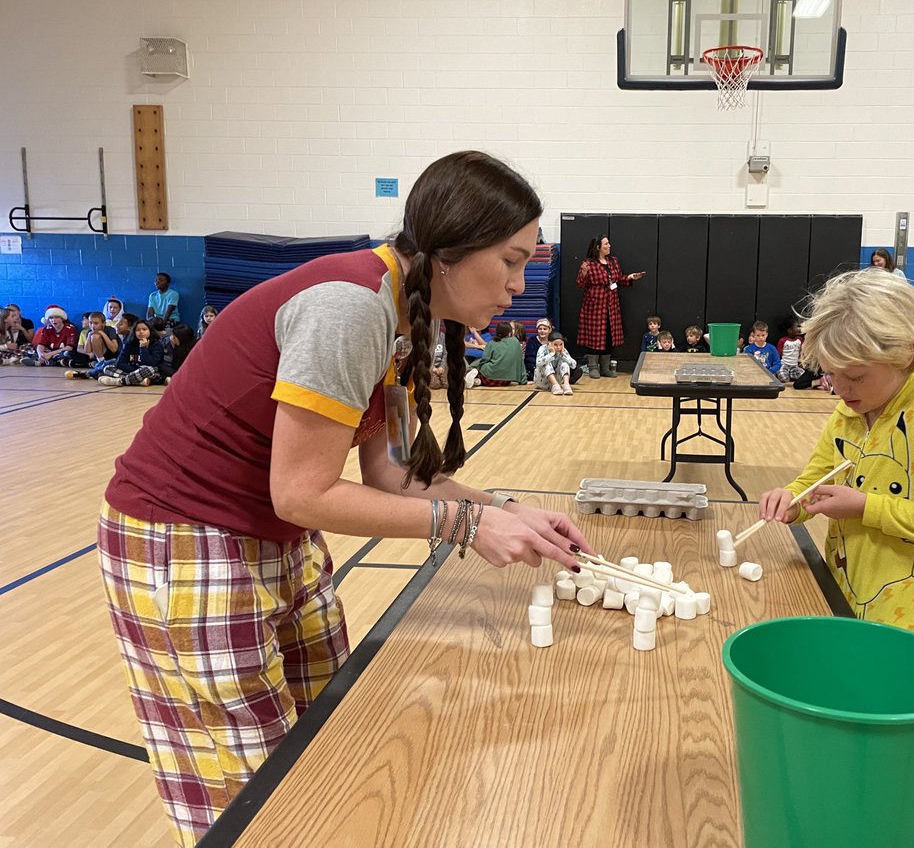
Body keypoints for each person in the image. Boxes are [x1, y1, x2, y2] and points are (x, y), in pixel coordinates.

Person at [96, 151, 592, 846]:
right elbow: (302, 492)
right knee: (251, 797)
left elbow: (392, 472)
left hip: (273, 537)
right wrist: (465, 524)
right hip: (184, 540)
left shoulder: (398, 313)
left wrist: (505, 509)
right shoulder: (350, 307)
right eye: (510, 261)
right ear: (449, 249)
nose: (518, 286)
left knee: (323, 746)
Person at [757, 269, 914, 638]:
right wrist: (792, 500)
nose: (840, 389)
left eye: (857, 376)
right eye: (832, 374)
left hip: (902, 621)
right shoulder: (847, 412)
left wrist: (867, 507)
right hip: (841, 597)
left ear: (908, 355)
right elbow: (814, 481)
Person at [576, 235, 645, 378]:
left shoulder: (613, 261)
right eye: (606, 244)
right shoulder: (588, 263)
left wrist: (631, 277)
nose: (609, 246)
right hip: (594, 306)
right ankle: (593, 367)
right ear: (598, 247)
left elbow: (619, 279)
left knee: (608, 335)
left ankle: (605, 367)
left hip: (611, 306)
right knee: (593, 336)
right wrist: (583, 273)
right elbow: (580, 284)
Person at [469, 320, 527, 387]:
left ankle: (475, 377)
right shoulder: (515, 342)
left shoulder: (492, 343)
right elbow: (521, 362)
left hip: (489, 379)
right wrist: (523, 381)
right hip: (506, 381)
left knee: (479, 364)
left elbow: (484, 360)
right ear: (509, 332)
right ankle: (476, 379)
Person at [534, 331, 577, 396]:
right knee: (546, 363)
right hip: (542, 381)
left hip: (558, 380)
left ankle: (566, 384)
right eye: (555, 345)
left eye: (561, 344)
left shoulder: (563, 350)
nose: (559, 347)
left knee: (564, 363)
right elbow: (538, 363)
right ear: (549, 343)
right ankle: (555, 385)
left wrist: (563, 355)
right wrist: (551, 354)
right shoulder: (542, 348)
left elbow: (573, 365)